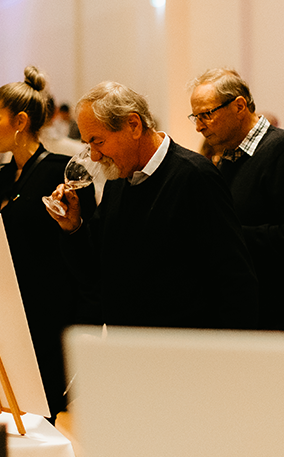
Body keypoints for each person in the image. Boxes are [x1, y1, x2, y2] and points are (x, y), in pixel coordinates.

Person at [47, 81, 259, 330]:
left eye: (98, 142)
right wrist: (73, 228)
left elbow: (234, 279)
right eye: (88, 144)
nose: (93, 156)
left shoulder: (195, 177)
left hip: (179, 351)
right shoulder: (119, 180)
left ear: (134, 126)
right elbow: (95, 273)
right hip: (128, 349)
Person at [0, 67, 90, 418]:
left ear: (20, 121)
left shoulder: (60, 172)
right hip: (4, 310)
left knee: (40, 413)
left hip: (46, 316)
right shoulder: (1, 178)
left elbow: (82, 242)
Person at [188, 68, 284, 331]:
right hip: (238, 305)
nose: (198, 126)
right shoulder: (231, 156)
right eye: (196, 116)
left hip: (275, 311)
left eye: (206, 115)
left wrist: (229, 236)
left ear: (239, 106)